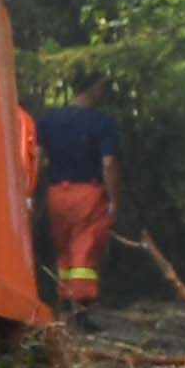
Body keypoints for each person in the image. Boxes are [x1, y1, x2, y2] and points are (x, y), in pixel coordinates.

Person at [31, 82, 121, 312]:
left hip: (56, 194)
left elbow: (36, 159)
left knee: (64, 250)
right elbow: (108, 163)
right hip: (88, 194)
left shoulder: (48, 121)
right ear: (96, 90)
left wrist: (31, 193)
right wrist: (113, 199)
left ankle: (65, 305)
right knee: (85, 250)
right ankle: (80, 311)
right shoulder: (102, 124)